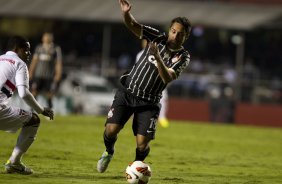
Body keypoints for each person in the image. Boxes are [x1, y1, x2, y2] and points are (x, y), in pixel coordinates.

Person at [97, 0, 192, 173]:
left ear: (186, 37)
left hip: (149, 103)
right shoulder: (157, 37)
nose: (175, 36)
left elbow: (167, 77)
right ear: (169, 30)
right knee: (110, 131)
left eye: (180, 34)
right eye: (173, 31)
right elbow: (133, 25)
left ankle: (135, 167)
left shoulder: (183, 57)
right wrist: (126, 13)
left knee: (142, 144)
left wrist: (158, 58)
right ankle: (109, 151)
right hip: (128, 92)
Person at [0, 36, 54, 175]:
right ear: (17, 49)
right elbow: (23, 93)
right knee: (33, 120)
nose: (28, 54)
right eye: (26, 50)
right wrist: (41, 110)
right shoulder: (19, 64)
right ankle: (14, 162)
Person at [136, 39, 170, 128]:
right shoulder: (140, 54)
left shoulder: (160, 53)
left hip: (158, 80)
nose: (146, 44)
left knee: (163, 98)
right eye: (144, 42)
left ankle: (162, 118)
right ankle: (140, 117)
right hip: (146, 81)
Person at [29, 31, 62, 109]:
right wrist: (30, 72)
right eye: (44, 37)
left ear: (51, 38)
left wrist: (58, 73)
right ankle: (32, 110)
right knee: (34, 92)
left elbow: (58, 62)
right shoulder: (39, 48)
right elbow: (34, 61)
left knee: (50, 93)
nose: (46, 38)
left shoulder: (56, 49)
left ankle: (50, 110)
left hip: (49, 76)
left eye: (48, 37)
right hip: (38, 75)